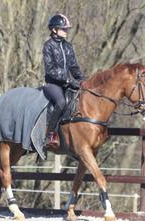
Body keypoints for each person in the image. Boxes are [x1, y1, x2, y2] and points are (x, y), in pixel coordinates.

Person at [43, 14, 85, 147]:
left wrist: (81, 79)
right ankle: (50, 134)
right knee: (61, 102)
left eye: (67, 29)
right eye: (64, 29)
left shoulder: (68, 46)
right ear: (54, 29)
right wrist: (67, 79)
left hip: (67, 83)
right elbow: (50, 70)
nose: (66, 31)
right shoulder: (48, 46)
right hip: (52, 84)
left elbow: (73, 66)